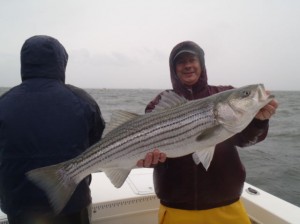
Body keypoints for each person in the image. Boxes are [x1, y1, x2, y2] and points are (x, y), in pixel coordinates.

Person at [138, 41, 278, 224]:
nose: (187, 65)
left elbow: (246, 139)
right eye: (181, 62)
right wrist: (148, 161)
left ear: (201, 64)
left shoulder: (225, 93)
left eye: (192, 60)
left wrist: (259, 122)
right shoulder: (159, 104)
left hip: (227, 204)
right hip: (177, 207)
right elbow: (147, 149)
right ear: (174, 69)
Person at [0, 35, 105, 224]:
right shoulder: (83, 101)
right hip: (72, 204)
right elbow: (96, 144)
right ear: (61, 62)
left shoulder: (3, 103)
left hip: (19, 206)